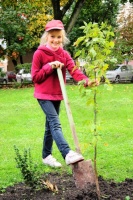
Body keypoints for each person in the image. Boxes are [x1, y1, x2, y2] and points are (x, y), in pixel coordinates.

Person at [31, 19, 98, 168]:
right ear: (46, 36)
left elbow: (75, 71)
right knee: (55, 124)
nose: (55, 40)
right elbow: (35, 77)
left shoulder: (64, 54)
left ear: (63, 38)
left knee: (50, 126)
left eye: (59, 36)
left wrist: (87, 81)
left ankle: (46, 155)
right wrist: (49, 66)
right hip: (43, 95)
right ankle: (67, 153)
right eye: (52, 36)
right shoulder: (39, 54)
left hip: (57, 95)